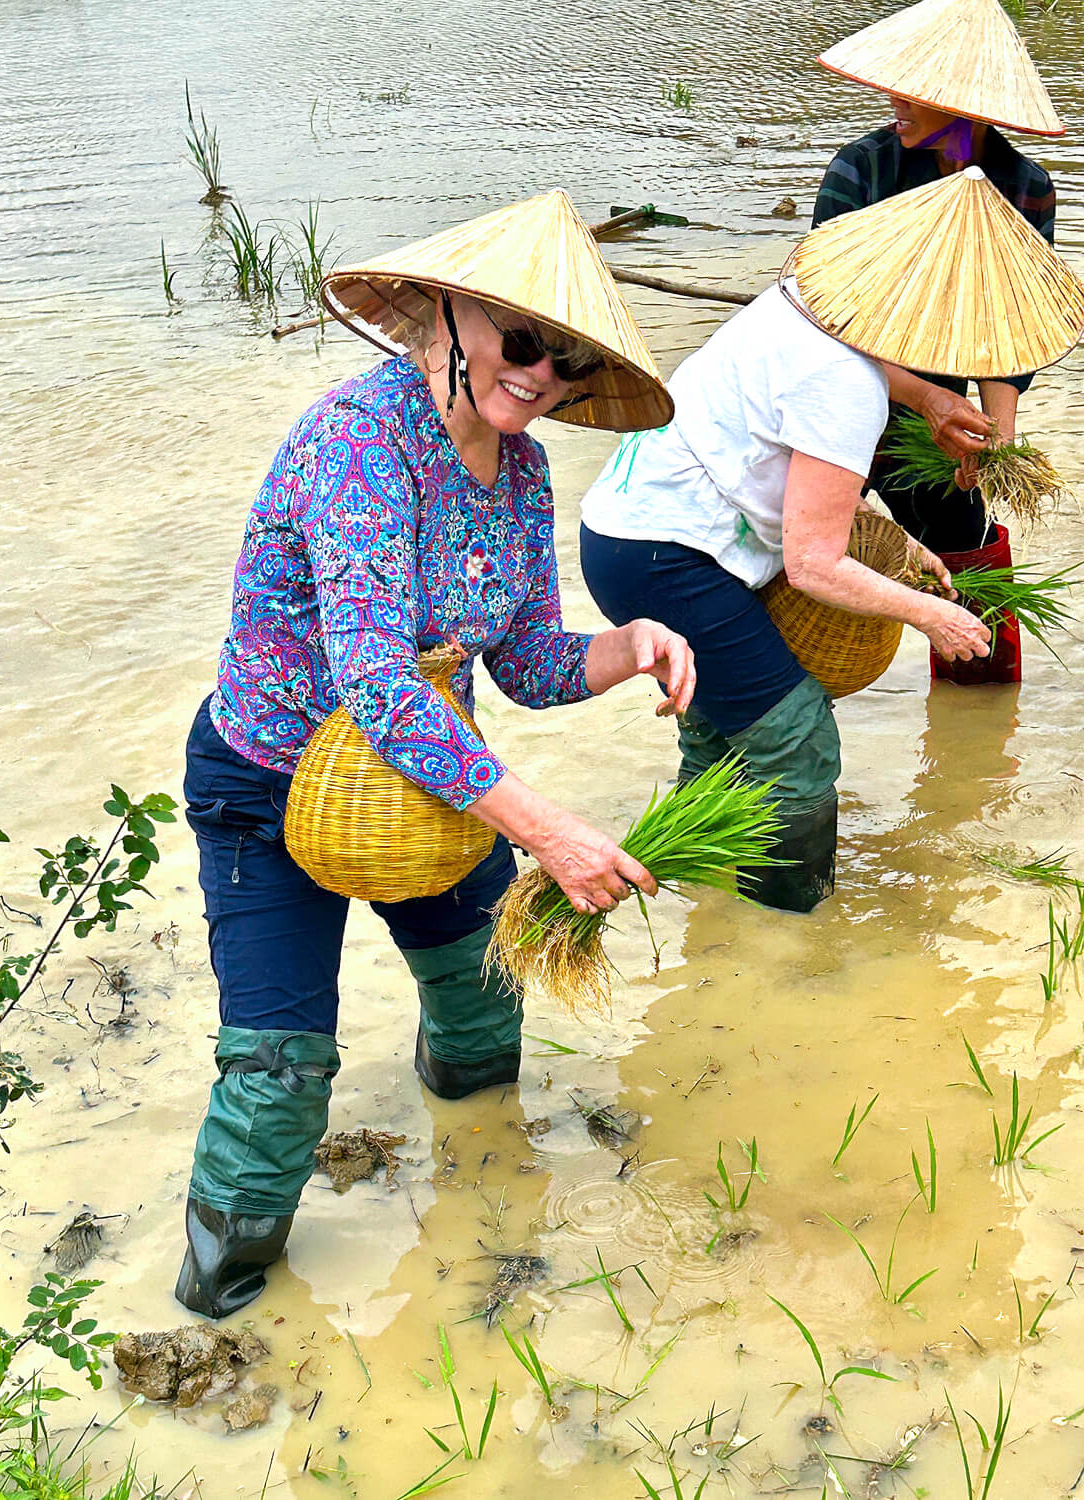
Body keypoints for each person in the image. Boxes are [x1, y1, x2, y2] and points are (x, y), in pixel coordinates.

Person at [176, 189, 696, 1319]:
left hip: (433, 790)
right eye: (522, 343)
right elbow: (373, 682)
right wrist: (549, 830)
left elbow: (523, 662)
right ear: (449, 315)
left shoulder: (519, 473)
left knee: (482, 1007)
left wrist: (628, 648)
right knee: (276, 1082)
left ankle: (479, 1219)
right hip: (268, 787)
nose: (540, 375)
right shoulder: (360, 439)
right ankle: (226, 1319)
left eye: (562, 359)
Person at [578, 168, 1083, 915]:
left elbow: (814, 477)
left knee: (722, 729)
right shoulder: (841, 385)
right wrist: (932, 616)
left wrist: (925, 400)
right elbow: (813, 564)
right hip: (669, 557)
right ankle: (795, 931)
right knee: (796, 738)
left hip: (622, 529)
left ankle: (706, 904)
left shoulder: (806, 302)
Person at [812, 0, 1062, 684]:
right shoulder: (862, 173)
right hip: (841, 402)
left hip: (941, 421)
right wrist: (923, 397)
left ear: (970, 106)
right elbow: (825, 321)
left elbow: (1013, 327)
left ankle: (975, 762)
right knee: (804, 576)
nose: (895, 98)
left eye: (916, 89)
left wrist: (997, 433)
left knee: (973, 589)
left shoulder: (1024, 189)